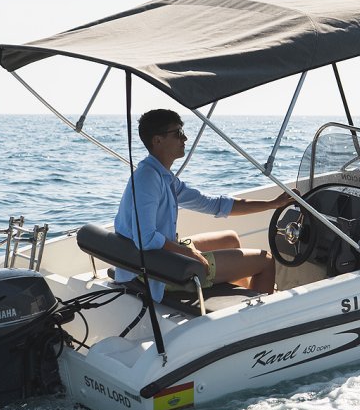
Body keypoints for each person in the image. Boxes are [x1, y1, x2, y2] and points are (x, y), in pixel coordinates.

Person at [114, 109, 294, 301]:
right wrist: (189, 253)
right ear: (158, 140)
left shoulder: (163, 177)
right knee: (266, 261)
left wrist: (273, 204)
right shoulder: (148, 178)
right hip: (153, 272)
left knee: (230, 239)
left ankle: (237, 302)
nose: (185, 138)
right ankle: (255, 319)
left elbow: (214, 204)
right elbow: (146, 239)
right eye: (178, 133)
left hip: (156, 257)